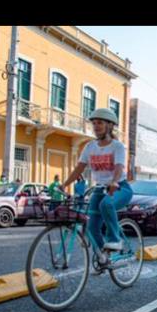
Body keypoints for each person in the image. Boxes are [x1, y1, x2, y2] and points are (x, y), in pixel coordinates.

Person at [60, 108, 132, 263]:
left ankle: (115, 239)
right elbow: (79, 168)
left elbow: (119, 167)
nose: (96, 126)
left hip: (120, 187)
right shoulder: (90, 147)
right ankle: (102, 258)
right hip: (100, 189)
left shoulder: (117, 146)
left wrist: (114, 181)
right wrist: (64, 184)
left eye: (100, 123)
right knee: (92, 228)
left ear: (110, 125)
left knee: (106, 204)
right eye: (94, 123)